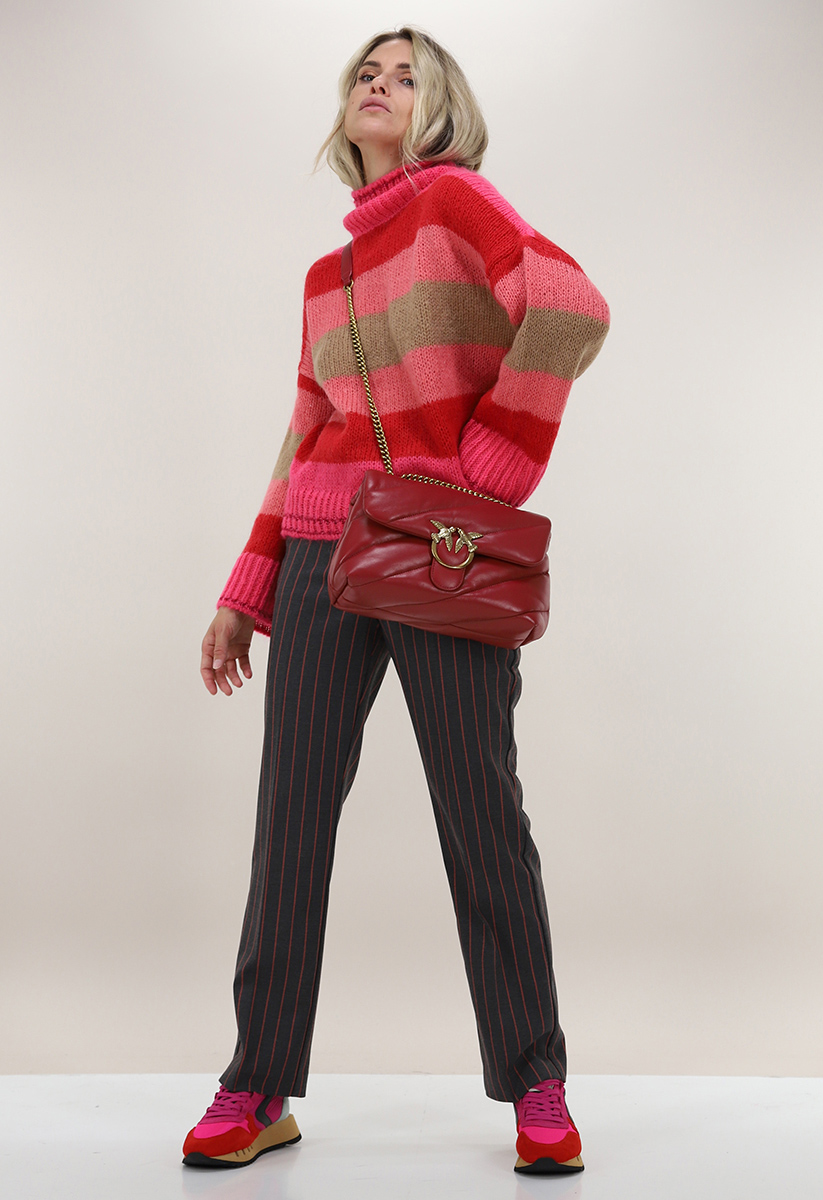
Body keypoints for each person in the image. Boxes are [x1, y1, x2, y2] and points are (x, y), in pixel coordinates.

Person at [181, 26, 610, 1176]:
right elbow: (303, 432)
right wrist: (246, 589)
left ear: (439, 106)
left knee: (479, 817)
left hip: (443, 553)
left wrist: (484, 472)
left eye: (404, 75)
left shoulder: (457, 205)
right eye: (364, 75)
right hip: (322, 559)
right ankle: (257, 1084)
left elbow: (568, 306)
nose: (379, 86)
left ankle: (536, 1085)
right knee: (290, 824)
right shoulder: (322, 278)